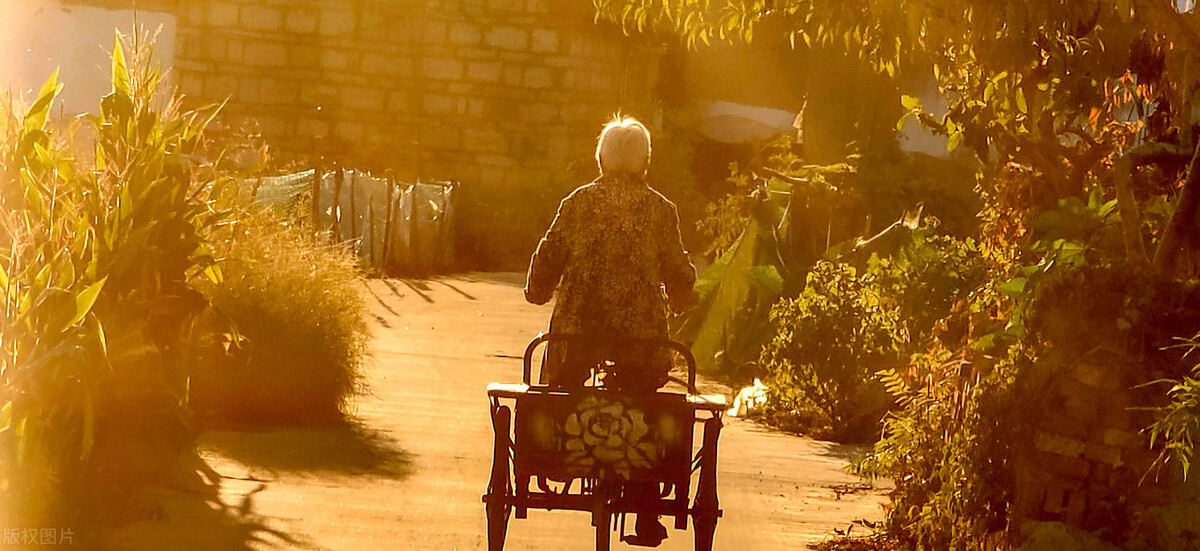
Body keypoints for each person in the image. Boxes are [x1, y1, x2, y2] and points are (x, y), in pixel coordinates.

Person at [524, 116, 698, 546]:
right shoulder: (661, 209)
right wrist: (682, 294)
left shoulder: (578, 202)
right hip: (641, 337)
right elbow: (678, 272)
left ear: (600, 158)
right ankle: (643, 502)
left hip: (576, 331)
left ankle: (555, 459)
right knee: (642, 397)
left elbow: (547, 260)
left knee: (564, 385)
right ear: (645, 162)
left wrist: (537, 290)